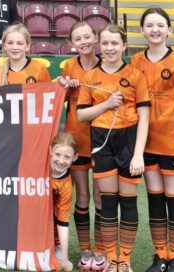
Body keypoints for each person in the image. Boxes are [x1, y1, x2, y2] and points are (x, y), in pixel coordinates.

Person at [76, 25, 150, 272]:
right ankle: (109, 259)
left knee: (128, 203)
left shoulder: (136, 75)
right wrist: (107, 104)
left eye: (114, 43)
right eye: (105, 43)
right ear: (99, 45)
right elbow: (82, 115)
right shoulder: (90, 77)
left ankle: (124, 259)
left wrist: (138, 153)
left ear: (124, 45)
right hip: (101, 141)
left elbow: (145, 116)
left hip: (129, 141)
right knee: (108, 203)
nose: (109, 48)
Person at [131, 9, 174, 272]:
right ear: (141, 31)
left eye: (160, 25)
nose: (155, 29)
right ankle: (160, 256)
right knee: (155, 199)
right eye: (149, 25)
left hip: (171, 142)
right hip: (145, 143)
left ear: (169, 30)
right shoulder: (135, 61)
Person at [57, 21, 104, 272]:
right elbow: (61, 100)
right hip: (76, 140)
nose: (84, 42)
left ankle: (101, 248)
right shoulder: (69, 66)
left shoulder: (105, 65)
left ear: (95, 38)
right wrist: (64, 86)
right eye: (78, 38)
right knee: (82, 196)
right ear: (72, 43)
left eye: (88, 37)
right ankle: (86, 249)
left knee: (100, 197)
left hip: (101, 140)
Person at [50, 132, 79, 272]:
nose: (61, 161)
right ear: (50, 151)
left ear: (75, 158)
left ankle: (57, 246)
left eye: (67, 157)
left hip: (49, 219)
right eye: (57, 154)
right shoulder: (38, 167)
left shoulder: (66, 185)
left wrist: (65, 259)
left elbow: (63, 221)